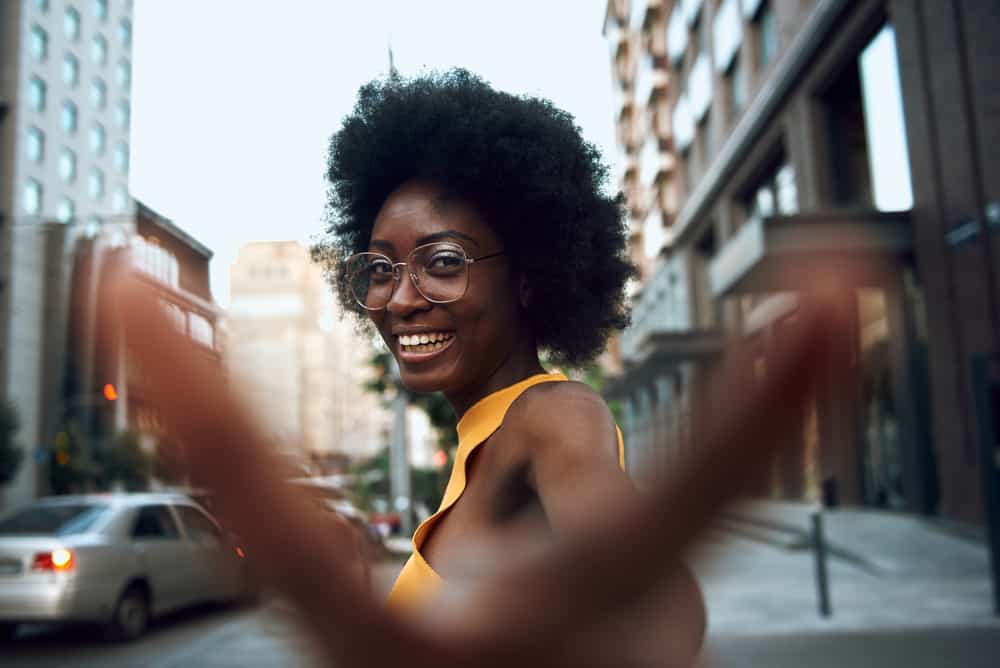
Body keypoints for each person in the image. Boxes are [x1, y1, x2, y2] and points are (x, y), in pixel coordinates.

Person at [103, 69, 850, 666]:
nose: (401, 300)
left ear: (528, 276)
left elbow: (658, 609)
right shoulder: (481, 445)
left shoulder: (552, 415)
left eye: (444, 262)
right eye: (380, 269)